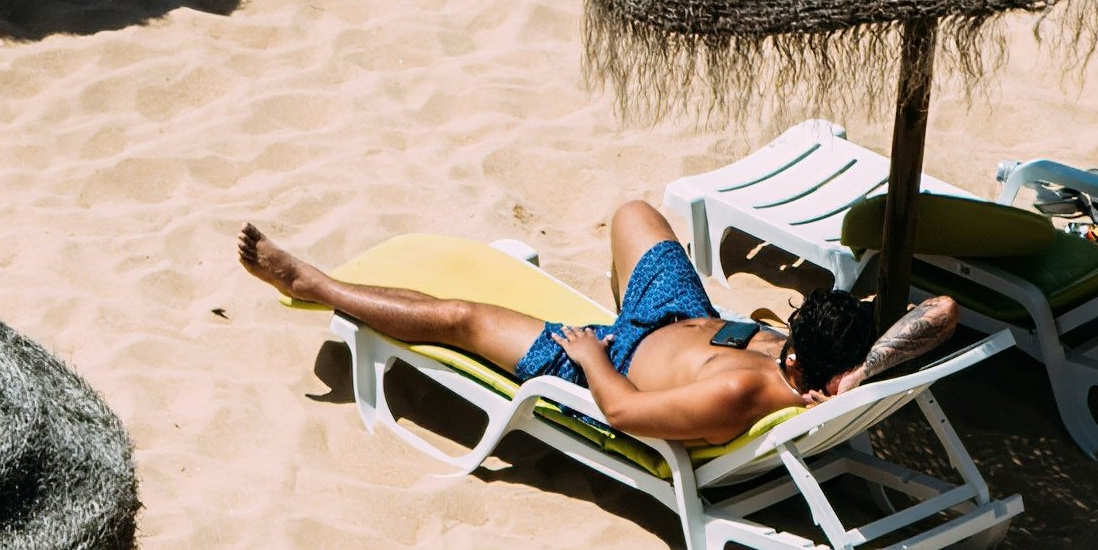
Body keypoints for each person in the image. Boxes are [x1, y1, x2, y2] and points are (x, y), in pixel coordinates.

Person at [240, 212, 963, 451]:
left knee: (462, 318)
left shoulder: (739, 395)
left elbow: (621, 412)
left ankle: (314, 282)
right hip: (678, 312)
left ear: (800, 358)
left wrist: (592, 353)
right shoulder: (835, 368)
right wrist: (858, 373)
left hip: (607, 358)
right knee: (633, 213)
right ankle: (635, 306)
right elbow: (943, 313)